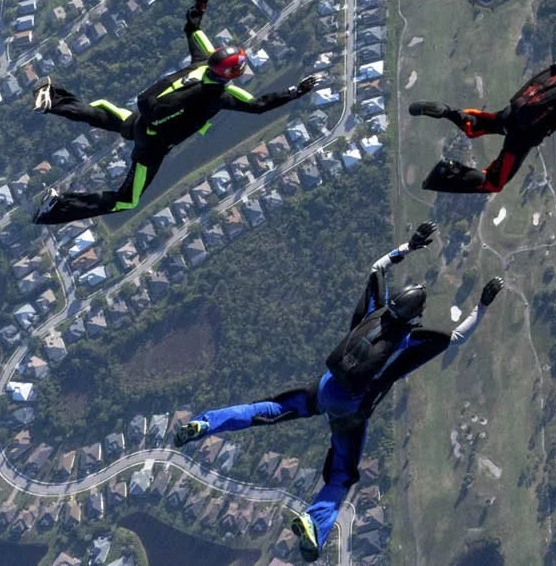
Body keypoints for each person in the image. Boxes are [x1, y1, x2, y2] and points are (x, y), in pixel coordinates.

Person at [173, 227, 498, 560]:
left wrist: (410, 246)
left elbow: (377, 269)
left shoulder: (376, 311)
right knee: (342, 475)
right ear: (415, 316)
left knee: (266, 409)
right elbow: (457, 337)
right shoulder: (410, 340)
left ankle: (204, 425)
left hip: (325, 386)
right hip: (351, 409)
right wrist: (483, 305)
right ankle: (314, 522)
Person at [32, 0, 320, 223]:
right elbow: (259, 106)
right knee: (127, 200)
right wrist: (295, 92)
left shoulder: (202, 60)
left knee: (104, 116)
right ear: (231, 75)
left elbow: (193, 27)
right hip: (152, 147)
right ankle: (59, 205)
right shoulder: (222, 95)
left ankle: (53, 98)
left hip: (141, 120)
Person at [411, 23, 556, 193]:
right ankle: (446, 172)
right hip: (521, 139)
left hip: (509, 115)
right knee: (494, 183)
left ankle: (448, 112)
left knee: (476, 126)